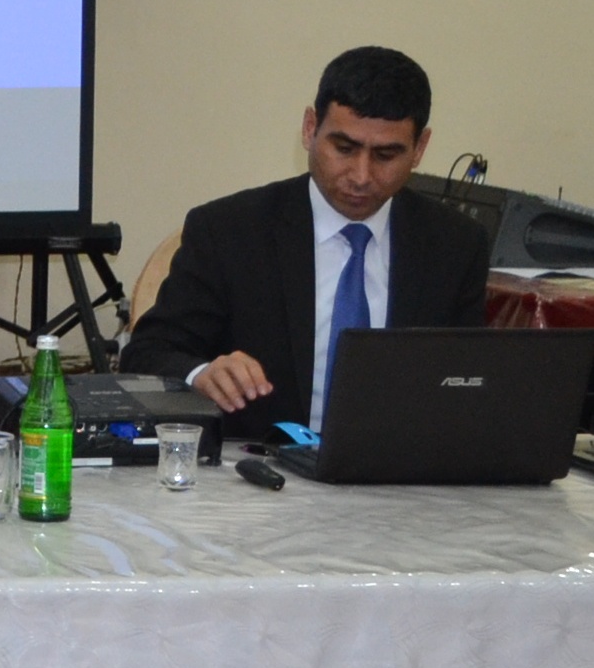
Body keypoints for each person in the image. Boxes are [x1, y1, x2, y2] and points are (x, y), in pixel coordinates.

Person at [121, 45, 490, 432]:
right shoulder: (229, 230)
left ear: (420, 149)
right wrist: (201, 373)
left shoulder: (455, 245)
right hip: (259, 458)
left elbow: (468, 379)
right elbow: (148, 352)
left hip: (397, 463)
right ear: (310, 128)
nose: (361, 176)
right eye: (344, 149)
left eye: (386, 156)